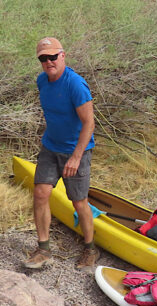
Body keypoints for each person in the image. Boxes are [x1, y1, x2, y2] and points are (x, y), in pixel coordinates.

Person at [24, 37, 100, 272]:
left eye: (53, 57)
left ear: (63, 56)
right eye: (43, 58)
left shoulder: (75, 84)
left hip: (76, 150)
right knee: (40, 192)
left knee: (78, 201)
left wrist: (76, 157)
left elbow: (89, 123)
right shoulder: (42, 81)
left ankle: (90, 248)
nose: (48, 62)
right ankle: (43, 248)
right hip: (51, 147)